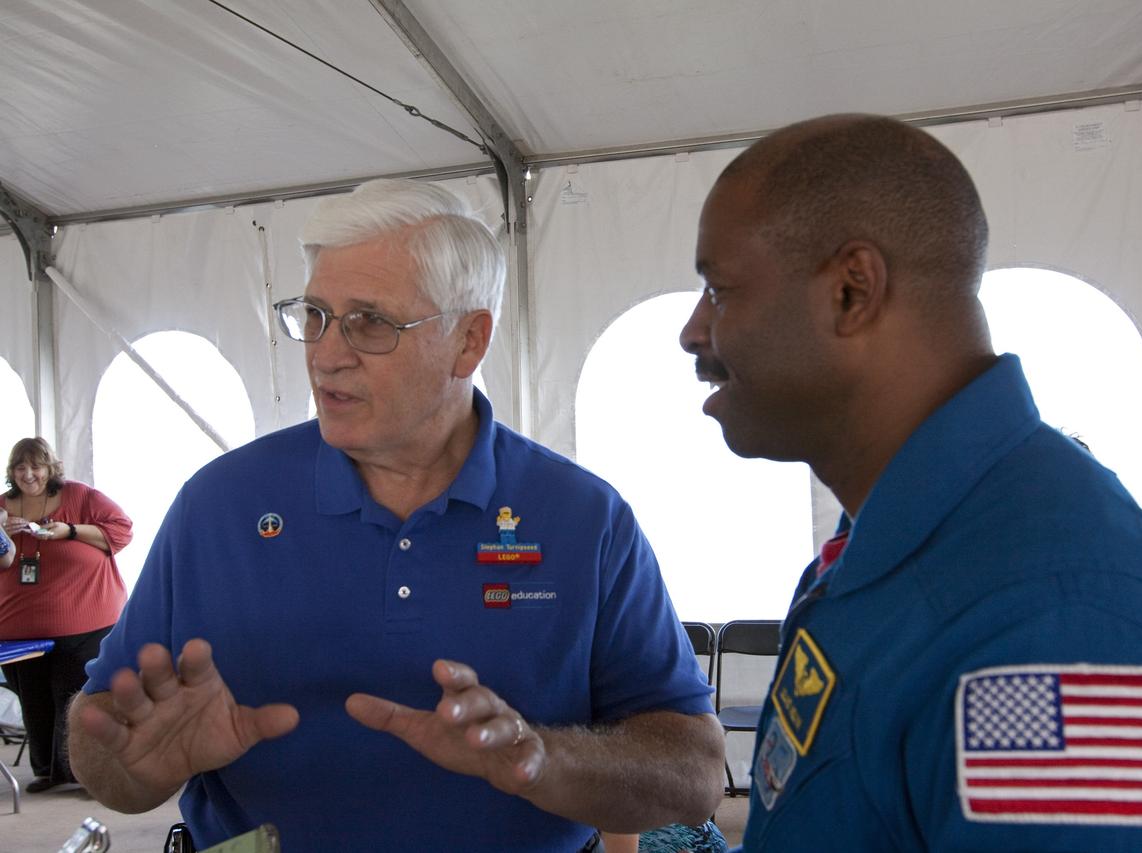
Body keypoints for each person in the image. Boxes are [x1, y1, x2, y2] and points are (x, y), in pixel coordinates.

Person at [68, 179, 724, 851]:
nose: (326, 354)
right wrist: (130, 765)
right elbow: (104, 742)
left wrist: (541, 759)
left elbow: (694, 772)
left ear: (469, 341)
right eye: (316, 315)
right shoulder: (220, 506)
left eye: (370, 322)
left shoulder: (584, 518)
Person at [678, 114, 1142, 850]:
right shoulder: (895, 541)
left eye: (720, 290)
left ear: (852, 292)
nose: (694, 332)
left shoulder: (1064, 630)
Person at [0, 436, 133, 793]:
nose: (29, 474)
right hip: (18, 626)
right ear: (12, 471)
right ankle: (48, 770)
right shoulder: (1, 508)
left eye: (37, 466)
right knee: (35, 700)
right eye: (21, 467)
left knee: (75, 698)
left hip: (85, 618)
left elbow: (121, 531)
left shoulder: (81, 497)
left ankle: (81, 773)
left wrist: (70, 531)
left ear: (50, 468)